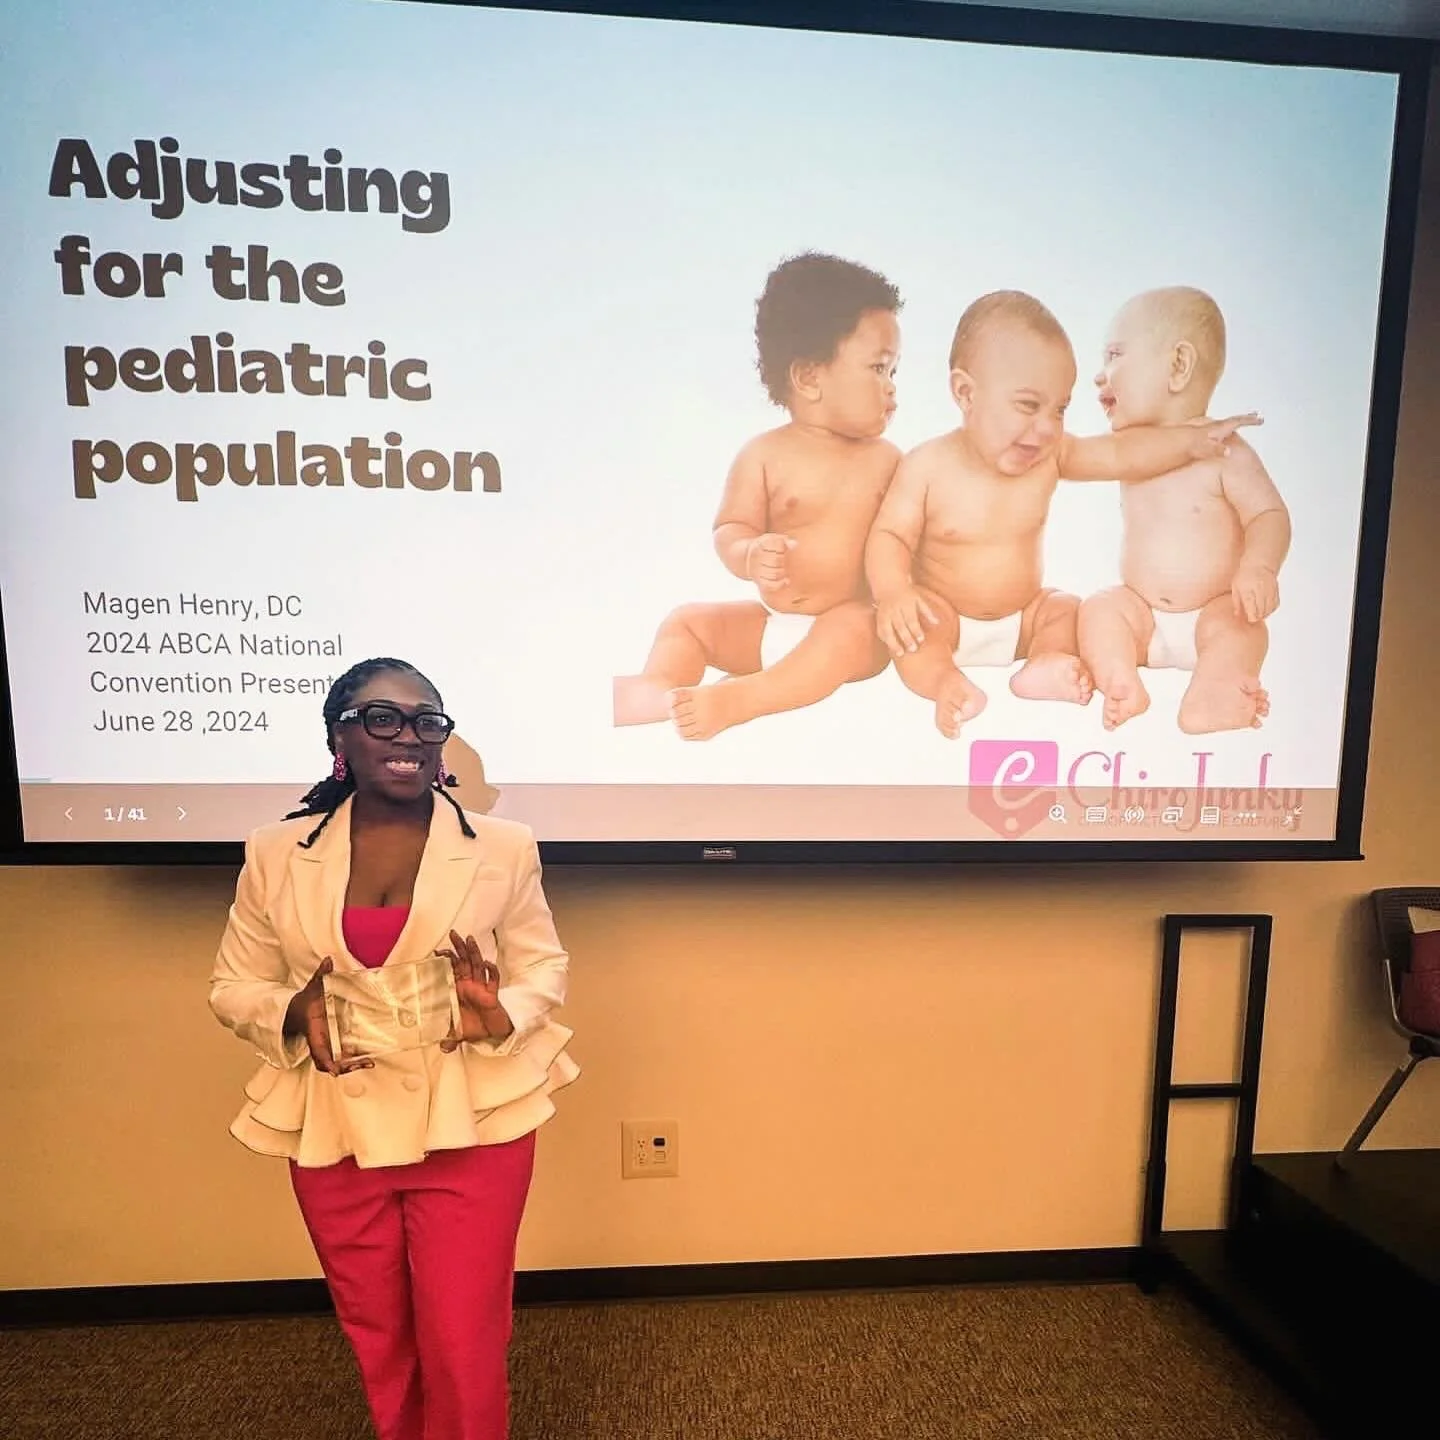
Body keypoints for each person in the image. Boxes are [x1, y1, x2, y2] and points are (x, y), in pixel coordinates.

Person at [210, 657, 578, 1440]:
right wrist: (291, 1010)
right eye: (383, 718)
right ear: (340, 734)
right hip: (332, 1121)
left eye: (427, 721)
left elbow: (544, 963)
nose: (408, 736)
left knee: (463, 1337)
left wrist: (501, 1012)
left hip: (472, 1118)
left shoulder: (502, 847)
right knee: (377, 1333)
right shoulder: (274, 853)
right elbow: (233, 985)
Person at [865, 290, 1261, 737]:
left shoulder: (1051, 454)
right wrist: (895, 592)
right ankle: (946, 683)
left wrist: (1189, 442)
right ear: (965, 393)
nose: (1048, 427)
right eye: (1029, 406)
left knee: (1069, 610)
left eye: (1060, 409)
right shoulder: (926, 466)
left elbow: (1120, 455)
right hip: (946, 615)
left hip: (1024, 615)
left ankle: (1045, 664)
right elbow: (889, 536)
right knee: (913, 635)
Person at [611, 251, 901, 740]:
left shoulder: (888, 462)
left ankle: (743, 698)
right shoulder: (763, 455)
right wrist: (749, 554)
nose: (892, 390)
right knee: (688, 622)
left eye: (894, 373)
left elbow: (910, 543)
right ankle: (660, 691)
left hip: (853, 631)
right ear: (809, 377)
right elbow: (731, 529)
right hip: (773, 626)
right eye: (878, 369)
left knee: (851, 628)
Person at [1079, 286, 1290, 732]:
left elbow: (1268, 514)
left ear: (1178, 366)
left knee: (1243, 630)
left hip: (1213, 613)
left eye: (1115, 355)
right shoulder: (1126, 450)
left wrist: (1259, 567)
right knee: (1099, 609)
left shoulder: (1226, 451)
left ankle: (1213, 697)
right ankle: (1122, 680)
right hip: (1142, 615)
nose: (1100, 376)